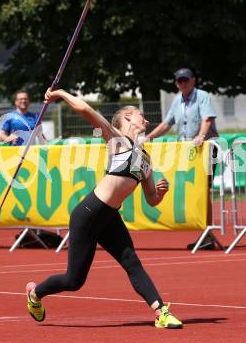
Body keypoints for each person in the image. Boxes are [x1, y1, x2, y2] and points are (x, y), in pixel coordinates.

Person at [26, 87, 183, 329]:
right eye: (142, 115)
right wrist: (60, 93)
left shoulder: (145, 159)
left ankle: (161, 312)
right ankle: (35, 294)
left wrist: (160, 193)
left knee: (131, 261)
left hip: (110, 217)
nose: (147, 119)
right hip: (88, 214)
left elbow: (151, 199)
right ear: (128, 117)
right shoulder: (116, 139)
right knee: (74, 280)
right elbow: (85, 109)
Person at [145, 68, 219, 250]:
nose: (182, 83)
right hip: (187, 152)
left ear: (193, 80)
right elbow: (166, 123)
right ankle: (203, 233)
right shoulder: (177, 101)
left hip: (205, 149)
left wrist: (201, 137)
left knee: (203, 191)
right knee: (190, 191)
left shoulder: (202, 96)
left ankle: (207, 235)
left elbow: (207, 120)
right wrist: (149, 137)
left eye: (185, 80)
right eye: (179, 81)